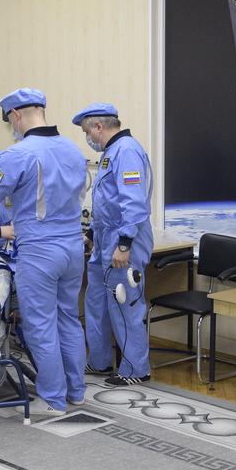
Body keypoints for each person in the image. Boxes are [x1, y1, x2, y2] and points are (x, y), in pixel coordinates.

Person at [0, 88, 87, 417]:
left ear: (16, 115)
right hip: (72, 247)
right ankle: (76, 391)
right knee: (69, 319)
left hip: (39, 250)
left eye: (10, 120)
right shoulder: (73, 150)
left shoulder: (15, 155)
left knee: (41, 324)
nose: (12, 126)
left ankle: (52, 398)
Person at [73, 102, 154, 386]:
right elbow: (107, 204)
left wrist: (124, 245)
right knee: (97, 303)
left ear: (98, 126)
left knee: (125, 304)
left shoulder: (127, 151)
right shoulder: (111, 154)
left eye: (87, 132)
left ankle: (135, 370)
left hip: (123, 242)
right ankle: (100, 361)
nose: (88, 138)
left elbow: (133, 204)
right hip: (105, 240)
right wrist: (93, 236)